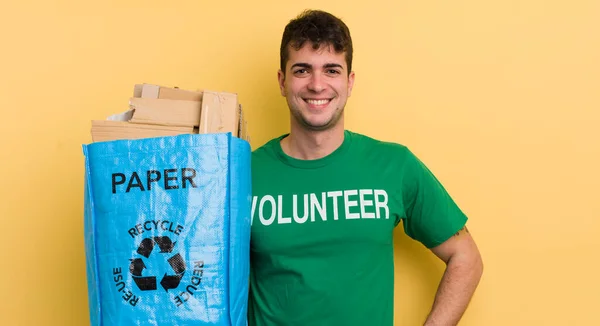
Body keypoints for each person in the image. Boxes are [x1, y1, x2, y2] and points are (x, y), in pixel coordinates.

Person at [248, 9, 483, 326]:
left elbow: (466, 257)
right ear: (282, 80)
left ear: (349, 81)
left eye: (331, 70)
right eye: (302, 70)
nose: (317, 85)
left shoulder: (393, 165)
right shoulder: (242, 174)